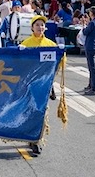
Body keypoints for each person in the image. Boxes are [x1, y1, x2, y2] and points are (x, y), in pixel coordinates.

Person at [20, 14, 59, 154]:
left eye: (42, 25)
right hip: (30, 85)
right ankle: (30, 137)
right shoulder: (26, 44)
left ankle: (37, 139)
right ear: (32, 27)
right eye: (37, 25)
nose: (40, 27)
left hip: (45, 85)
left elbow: (57, 64)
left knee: (41, 111)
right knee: (30, 111)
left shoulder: (51, 45)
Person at [81, 6, 95, 96]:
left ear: (92, 13)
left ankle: (94, 88)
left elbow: (85, 32)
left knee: (92, 68)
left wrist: (84, 25)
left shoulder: (93, 23)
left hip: (90, 46)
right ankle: (91, 85)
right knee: (93, 67)